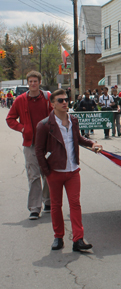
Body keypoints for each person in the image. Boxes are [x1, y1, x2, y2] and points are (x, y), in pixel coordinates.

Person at [35, 89, 102, 251]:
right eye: (60, 100)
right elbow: (38, 150)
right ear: (52, 105)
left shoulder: (73, 120)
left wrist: (92, 144)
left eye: (66, 100)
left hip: (72, 171)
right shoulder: (44, 125)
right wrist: (47, 172)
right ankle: (58, 237)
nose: (64, 102)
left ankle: (78, 239)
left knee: (75, 204)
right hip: (55, 172)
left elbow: (78, 138)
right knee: (56, 205)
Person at [6, 71, 52, 220]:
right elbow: (10, 118)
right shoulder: (20, 100)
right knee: (33, 175)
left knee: (48, 173)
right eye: (30, 81)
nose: (33, 84)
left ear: (40, 82)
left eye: (35, 81)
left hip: (47, 143)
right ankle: (34, 208)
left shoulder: (47, 98)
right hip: (30, 143)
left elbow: (56, 114)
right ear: (28, 83)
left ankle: (48, 201)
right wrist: (22, 128)